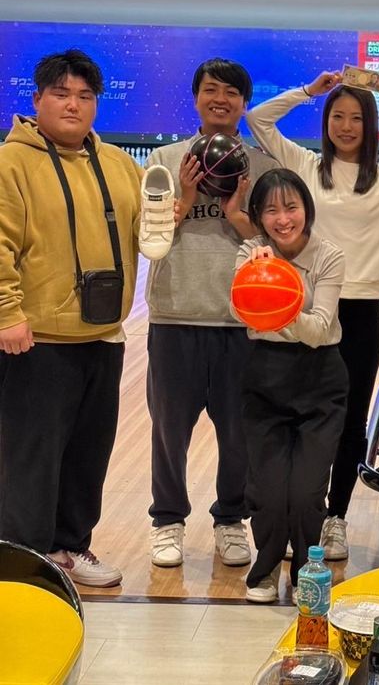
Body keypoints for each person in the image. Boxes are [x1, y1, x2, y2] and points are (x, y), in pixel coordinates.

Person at [247, 70, 379, 560]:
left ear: (371, 125)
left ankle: (334, 517)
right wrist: (308, 91)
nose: (346, 126)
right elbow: (258, 120)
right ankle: (293, 516)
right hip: (304, 308)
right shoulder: (304, 165)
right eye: (337, 116)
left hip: (360, 313)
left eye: (357, 118)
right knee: (296, 415)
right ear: (326, 122)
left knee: (349, 420)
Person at [0, 49, 141, 587]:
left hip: (103, 335)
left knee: (88, 455)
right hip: (35, 340)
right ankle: (23, 562)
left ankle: (68, 548)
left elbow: (147, 233)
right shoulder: (11, 164)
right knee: (31, 460)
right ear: (37, 100)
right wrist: (7, 313)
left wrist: (171, 213)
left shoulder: (120, 164)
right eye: (61, 94)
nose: (73, 105)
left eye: (84, 96)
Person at [145, 58, 275, 569]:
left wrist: (235, 215)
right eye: (211, 90)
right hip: (176, 314)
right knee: (168, 431)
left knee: (238, 433)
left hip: (241, 319)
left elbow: (276, 245)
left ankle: (230, 520)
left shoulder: (261, 167)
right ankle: (167, 521)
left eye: (231, 92)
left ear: (244, 103)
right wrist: (185, 196)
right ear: (196, 96)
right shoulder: (163, 160)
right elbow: (150, 238)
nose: (220, 99)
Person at [234, 168, 348, 604]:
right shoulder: (249, 252)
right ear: (258, 217)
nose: (283, 219)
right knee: (266, 490)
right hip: (265, 377)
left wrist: (278, 292)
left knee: (304, 492)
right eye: (271, 210)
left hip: (320, 379)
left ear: (306, 209)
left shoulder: (328, 256)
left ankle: (305, 570)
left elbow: (318, 330)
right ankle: (264, 569)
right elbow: (240, 310)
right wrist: (260, 278)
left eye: (291, 207)